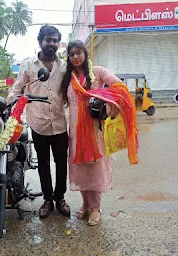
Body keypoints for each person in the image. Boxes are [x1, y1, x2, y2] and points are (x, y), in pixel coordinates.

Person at [61, 40, 137, 226]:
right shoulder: (67, 78)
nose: (76, 57)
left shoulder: (98, 72)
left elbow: (119, 87)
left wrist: (110, 101)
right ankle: (86, 204)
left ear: (86, 54)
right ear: (68, 57)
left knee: (94, 170)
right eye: (72, 54)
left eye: (79, 52)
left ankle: (96, 208)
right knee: (80, 170)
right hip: (76, 134)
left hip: (95, 132)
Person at [7, 25, 70, 218]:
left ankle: (60, 198)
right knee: (43, 164)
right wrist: (5, 105)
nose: (51, 43)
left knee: (61, 163)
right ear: (40, 41)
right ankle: (48, 200)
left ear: (58, 43)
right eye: (48, 40)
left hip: (60, 123)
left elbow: (73, 90)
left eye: (55, 40)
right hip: (39, 123)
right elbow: (17, 89)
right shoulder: (28, 65)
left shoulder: (64, 66)